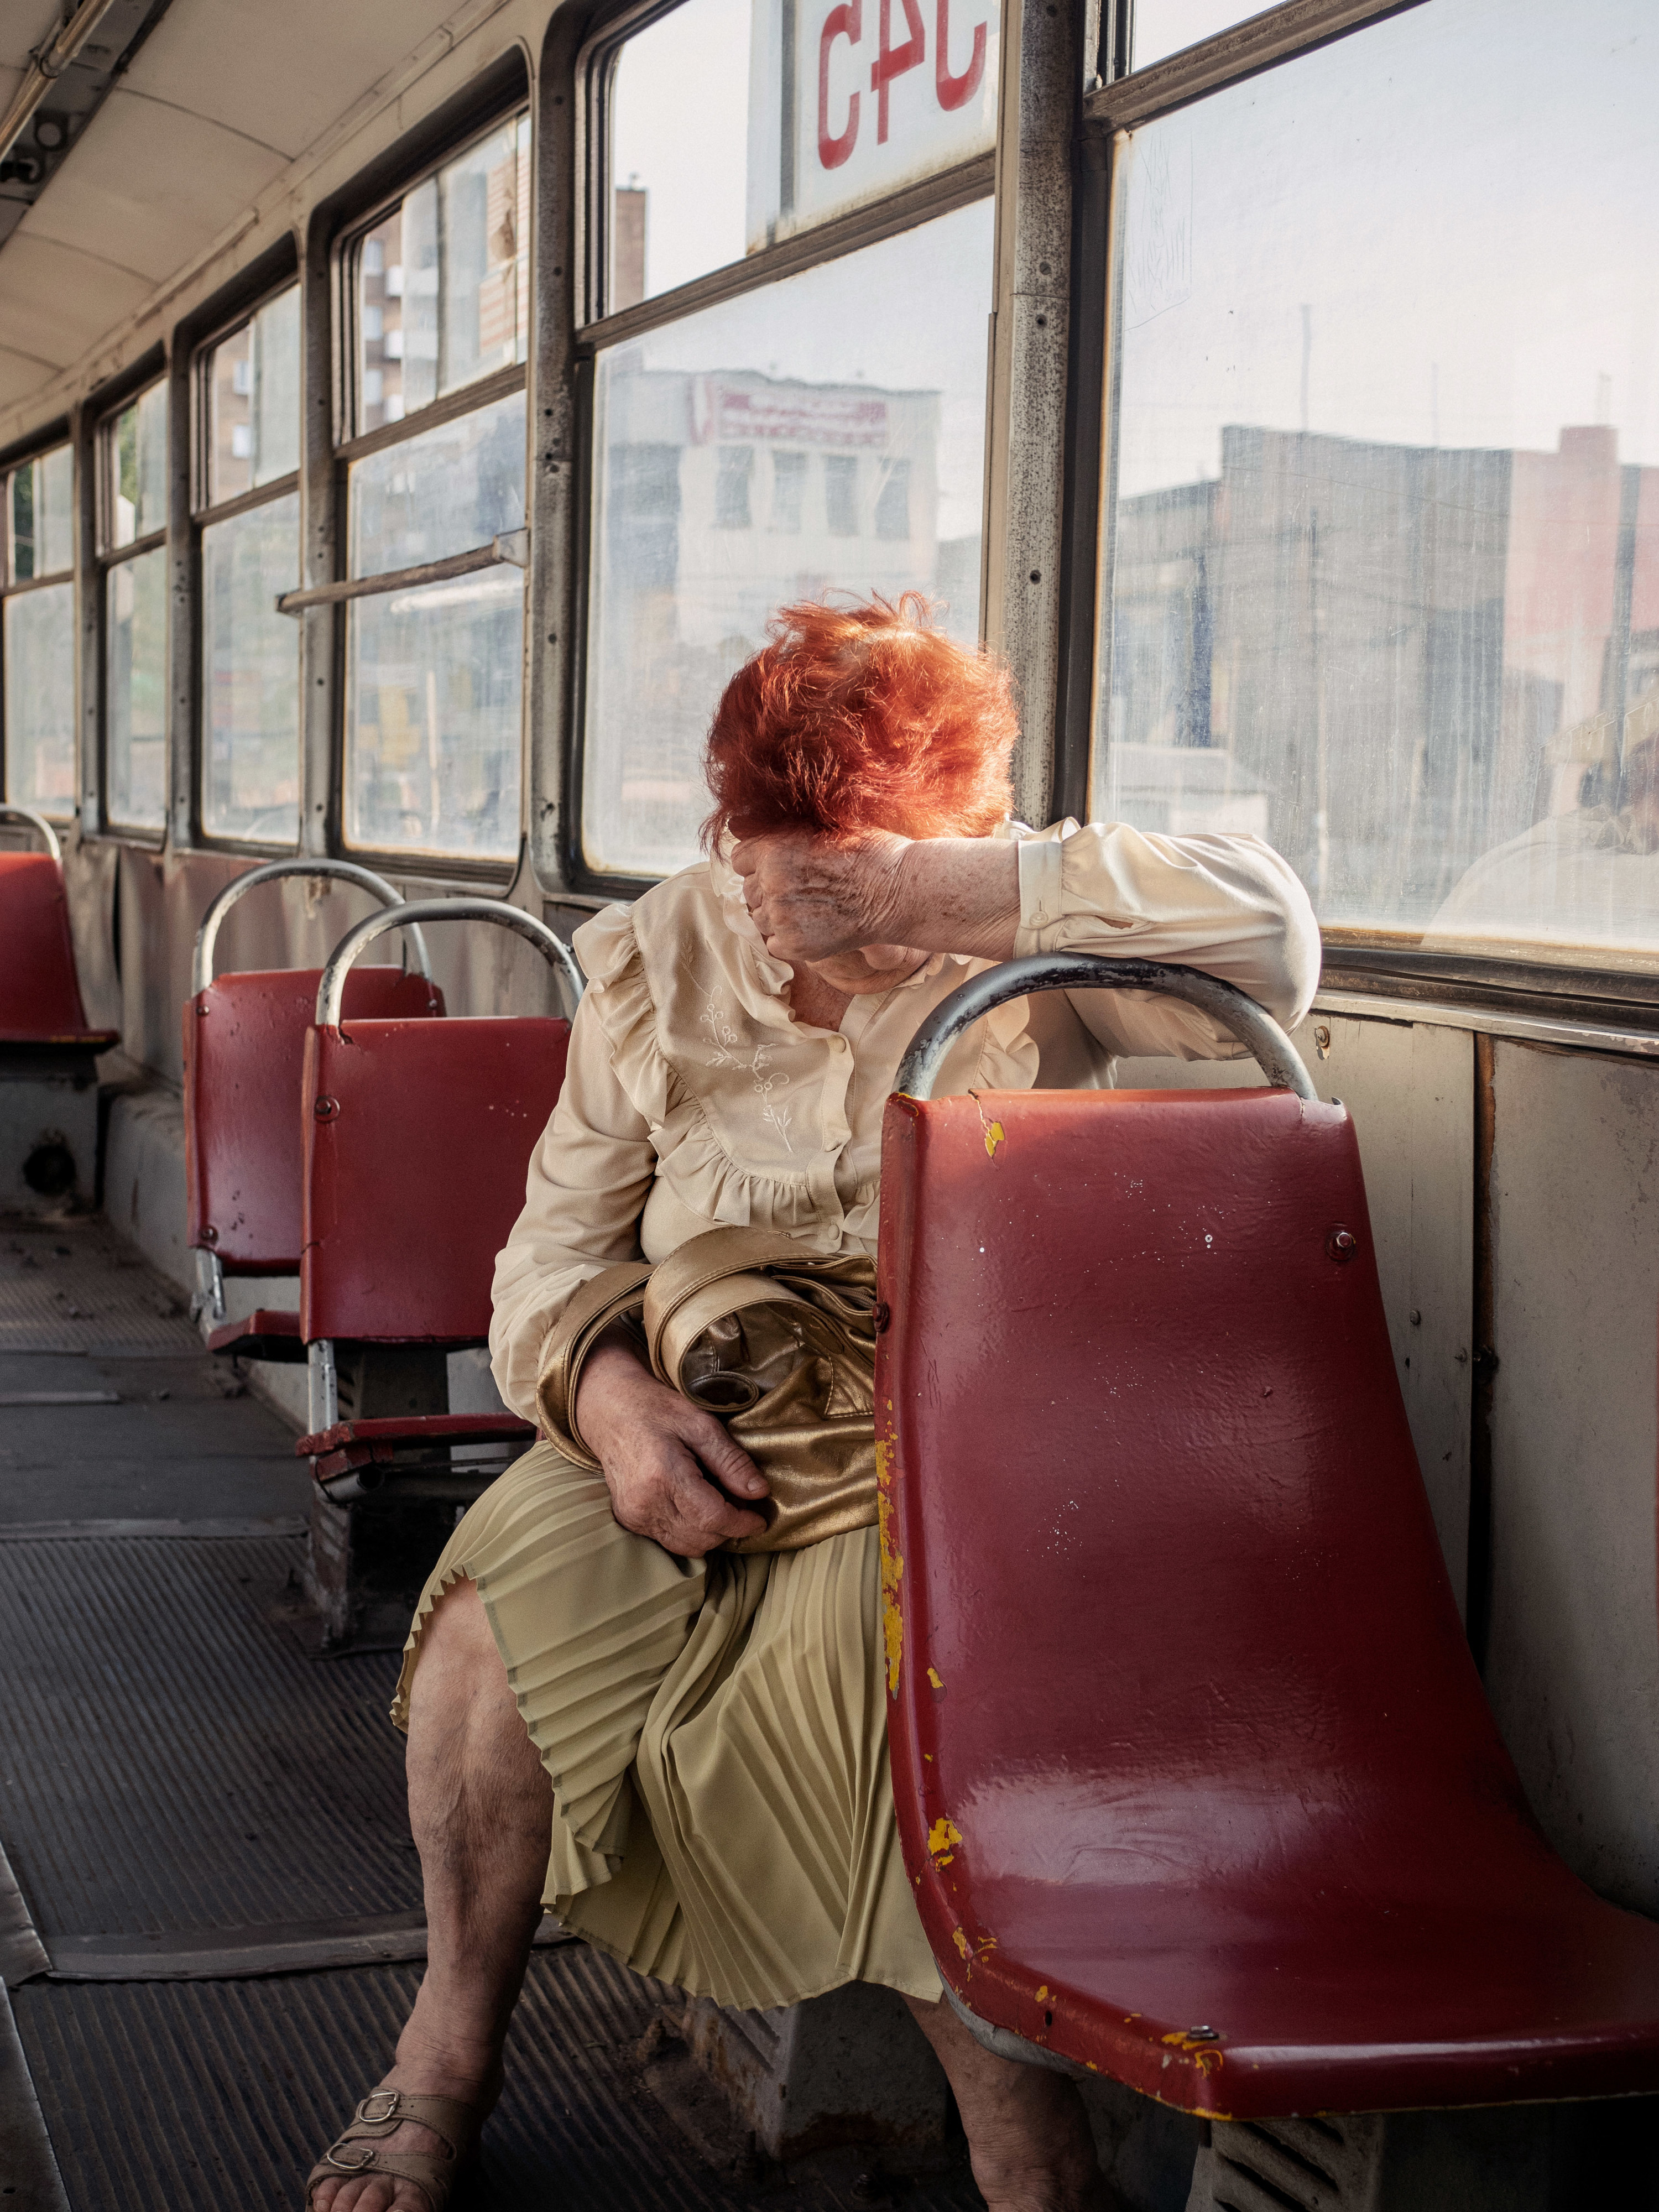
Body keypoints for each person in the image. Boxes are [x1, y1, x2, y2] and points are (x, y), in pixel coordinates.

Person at [306, 595, 1320, 2212]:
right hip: (689, 1393)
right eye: (782, 869)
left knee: (888, 1676)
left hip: (953, 1431)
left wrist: (927, 896)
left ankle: (1020, 2154)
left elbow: (1277, 943)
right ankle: (447, 2044)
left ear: (959, 832)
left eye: (856, 874)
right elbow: (545, 1267)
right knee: (490, 1637)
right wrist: (612, 1402)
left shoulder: (1035, 940)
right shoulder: (664, 959)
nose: (811, 928)